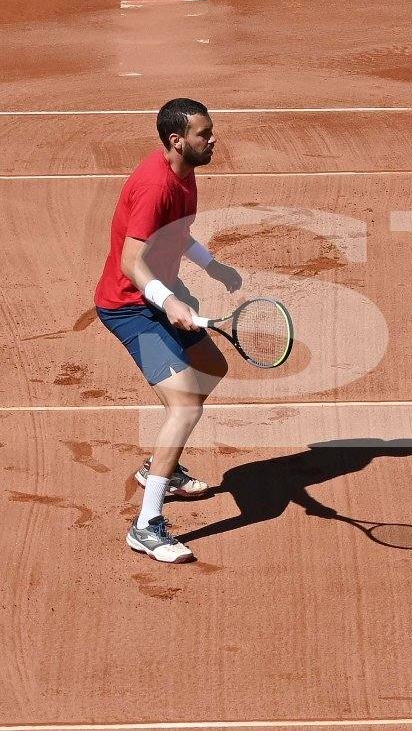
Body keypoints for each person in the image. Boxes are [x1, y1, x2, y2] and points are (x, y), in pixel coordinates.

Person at [95, 98, 242, 562]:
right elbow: (128, 262)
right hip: (129, 306)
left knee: (211, 368)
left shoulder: (184, 171)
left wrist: (211, 265)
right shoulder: (156, 185)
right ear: (177, 140)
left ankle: (161, 466)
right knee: (183, 407)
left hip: (160, 292)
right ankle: (147, 525)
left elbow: (178, 234)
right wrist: (169, 301)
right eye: (204, 133)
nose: (212, 139)